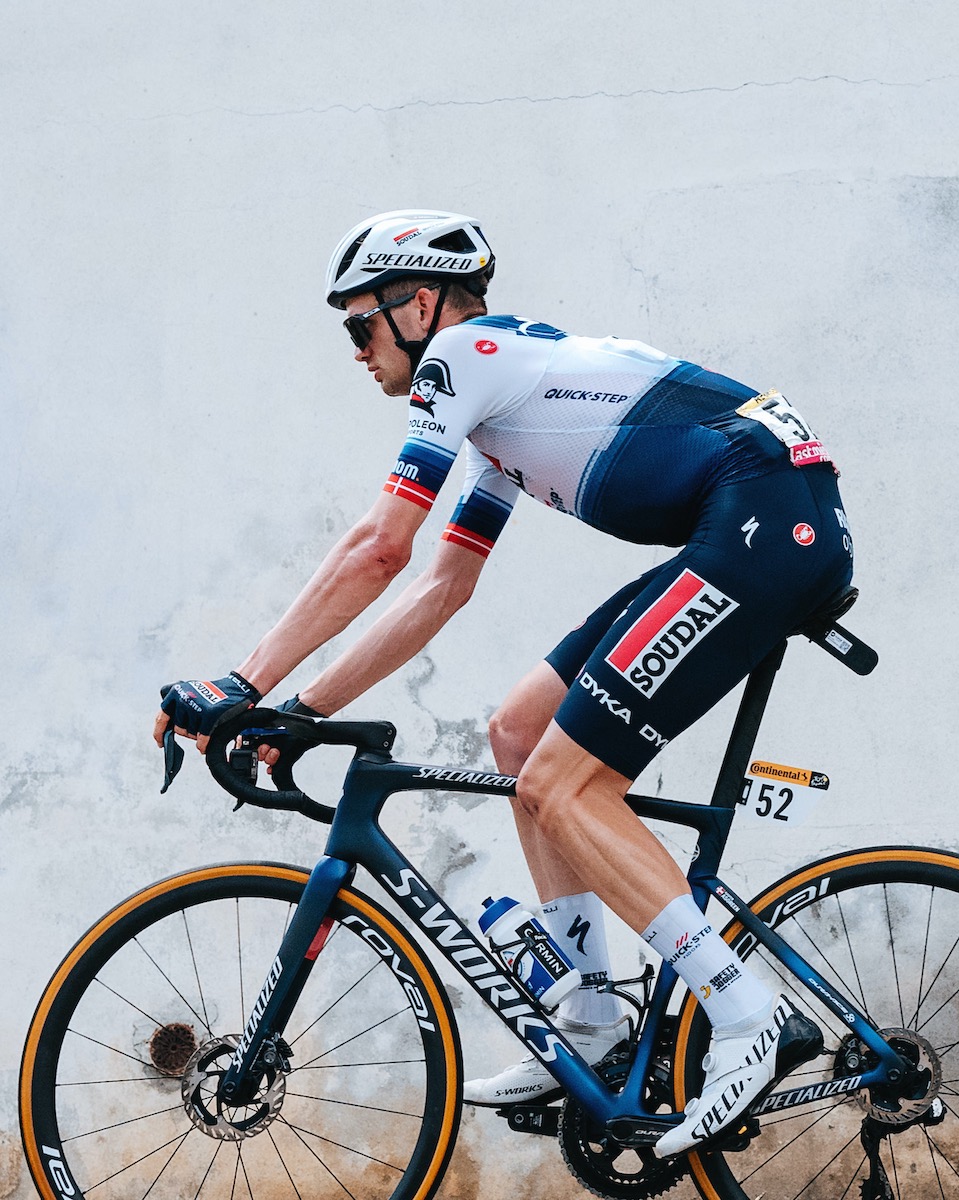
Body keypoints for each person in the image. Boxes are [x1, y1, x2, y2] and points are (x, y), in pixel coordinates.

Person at [153, 209, 852, 1154]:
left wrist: (238, 682)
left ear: (420, 302)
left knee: (565, 783)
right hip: (749, 517)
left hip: (766, 519)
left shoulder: (459, 361)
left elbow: (378, 548)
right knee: (521, 736)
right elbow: (443, 585)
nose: (356, 350)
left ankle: (743, 1011)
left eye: (360, 324)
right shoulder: (500, 405)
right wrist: (297, 711)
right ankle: (595, 1021)